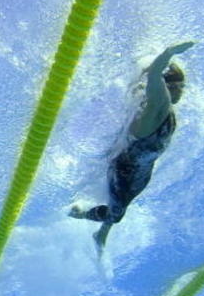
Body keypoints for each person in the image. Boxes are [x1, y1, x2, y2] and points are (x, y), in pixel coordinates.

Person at [69, 42, 194, 253]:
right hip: (126, 170)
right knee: (116, 214)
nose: (183, 90)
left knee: (123, 203)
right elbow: (154, 75)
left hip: (141, 170)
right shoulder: (159, 106)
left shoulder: (163, 110)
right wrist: (168, 53)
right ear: (166, 87)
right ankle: (79, 215)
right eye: (179, 85)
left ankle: (101, 234)